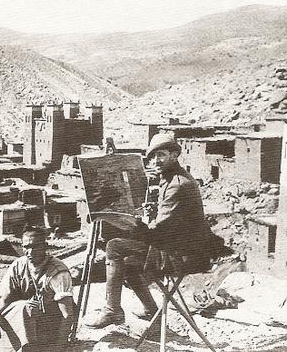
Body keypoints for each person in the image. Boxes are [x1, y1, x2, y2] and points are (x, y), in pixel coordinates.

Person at [84, 133, 217, 328]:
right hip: (182, 247)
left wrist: (118, 219)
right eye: (152, 157)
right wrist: (152, 212)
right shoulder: (171, 179)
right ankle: (150, 310)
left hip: (181, 255)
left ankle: (112, 311)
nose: (156, 161)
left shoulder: (178, 185)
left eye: (161, 155)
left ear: (174, 154)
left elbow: (155, 233)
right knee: (127, 263)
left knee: (114, 247)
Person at [0, 226, 74, 351]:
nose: (31, 252)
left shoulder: (58, 272)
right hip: (27, 321)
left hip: (49, 325)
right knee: (14, 311)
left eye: (36, 246)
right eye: (26, 247)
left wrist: (59, 348)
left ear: (45, 246)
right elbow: (5, 299)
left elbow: (67, 315)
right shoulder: (19, 265)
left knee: (28, 307)